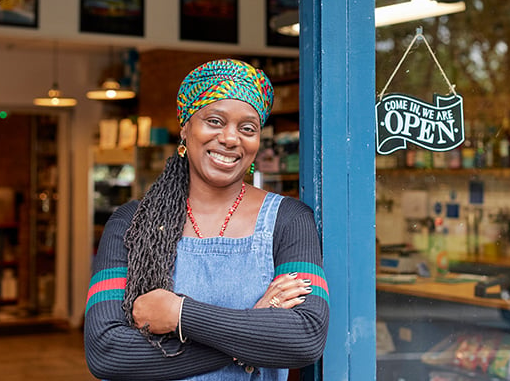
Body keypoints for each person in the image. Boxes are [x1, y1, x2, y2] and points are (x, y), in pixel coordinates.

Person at [84, 59, 329, 380]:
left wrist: (178, 314)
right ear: (185, 127)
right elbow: (107, 352)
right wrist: (253, 330)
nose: (230, 138)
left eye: (248, 128)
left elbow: (305, 337)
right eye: (214, 121)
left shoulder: (289, 221)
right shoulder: (130, 223)